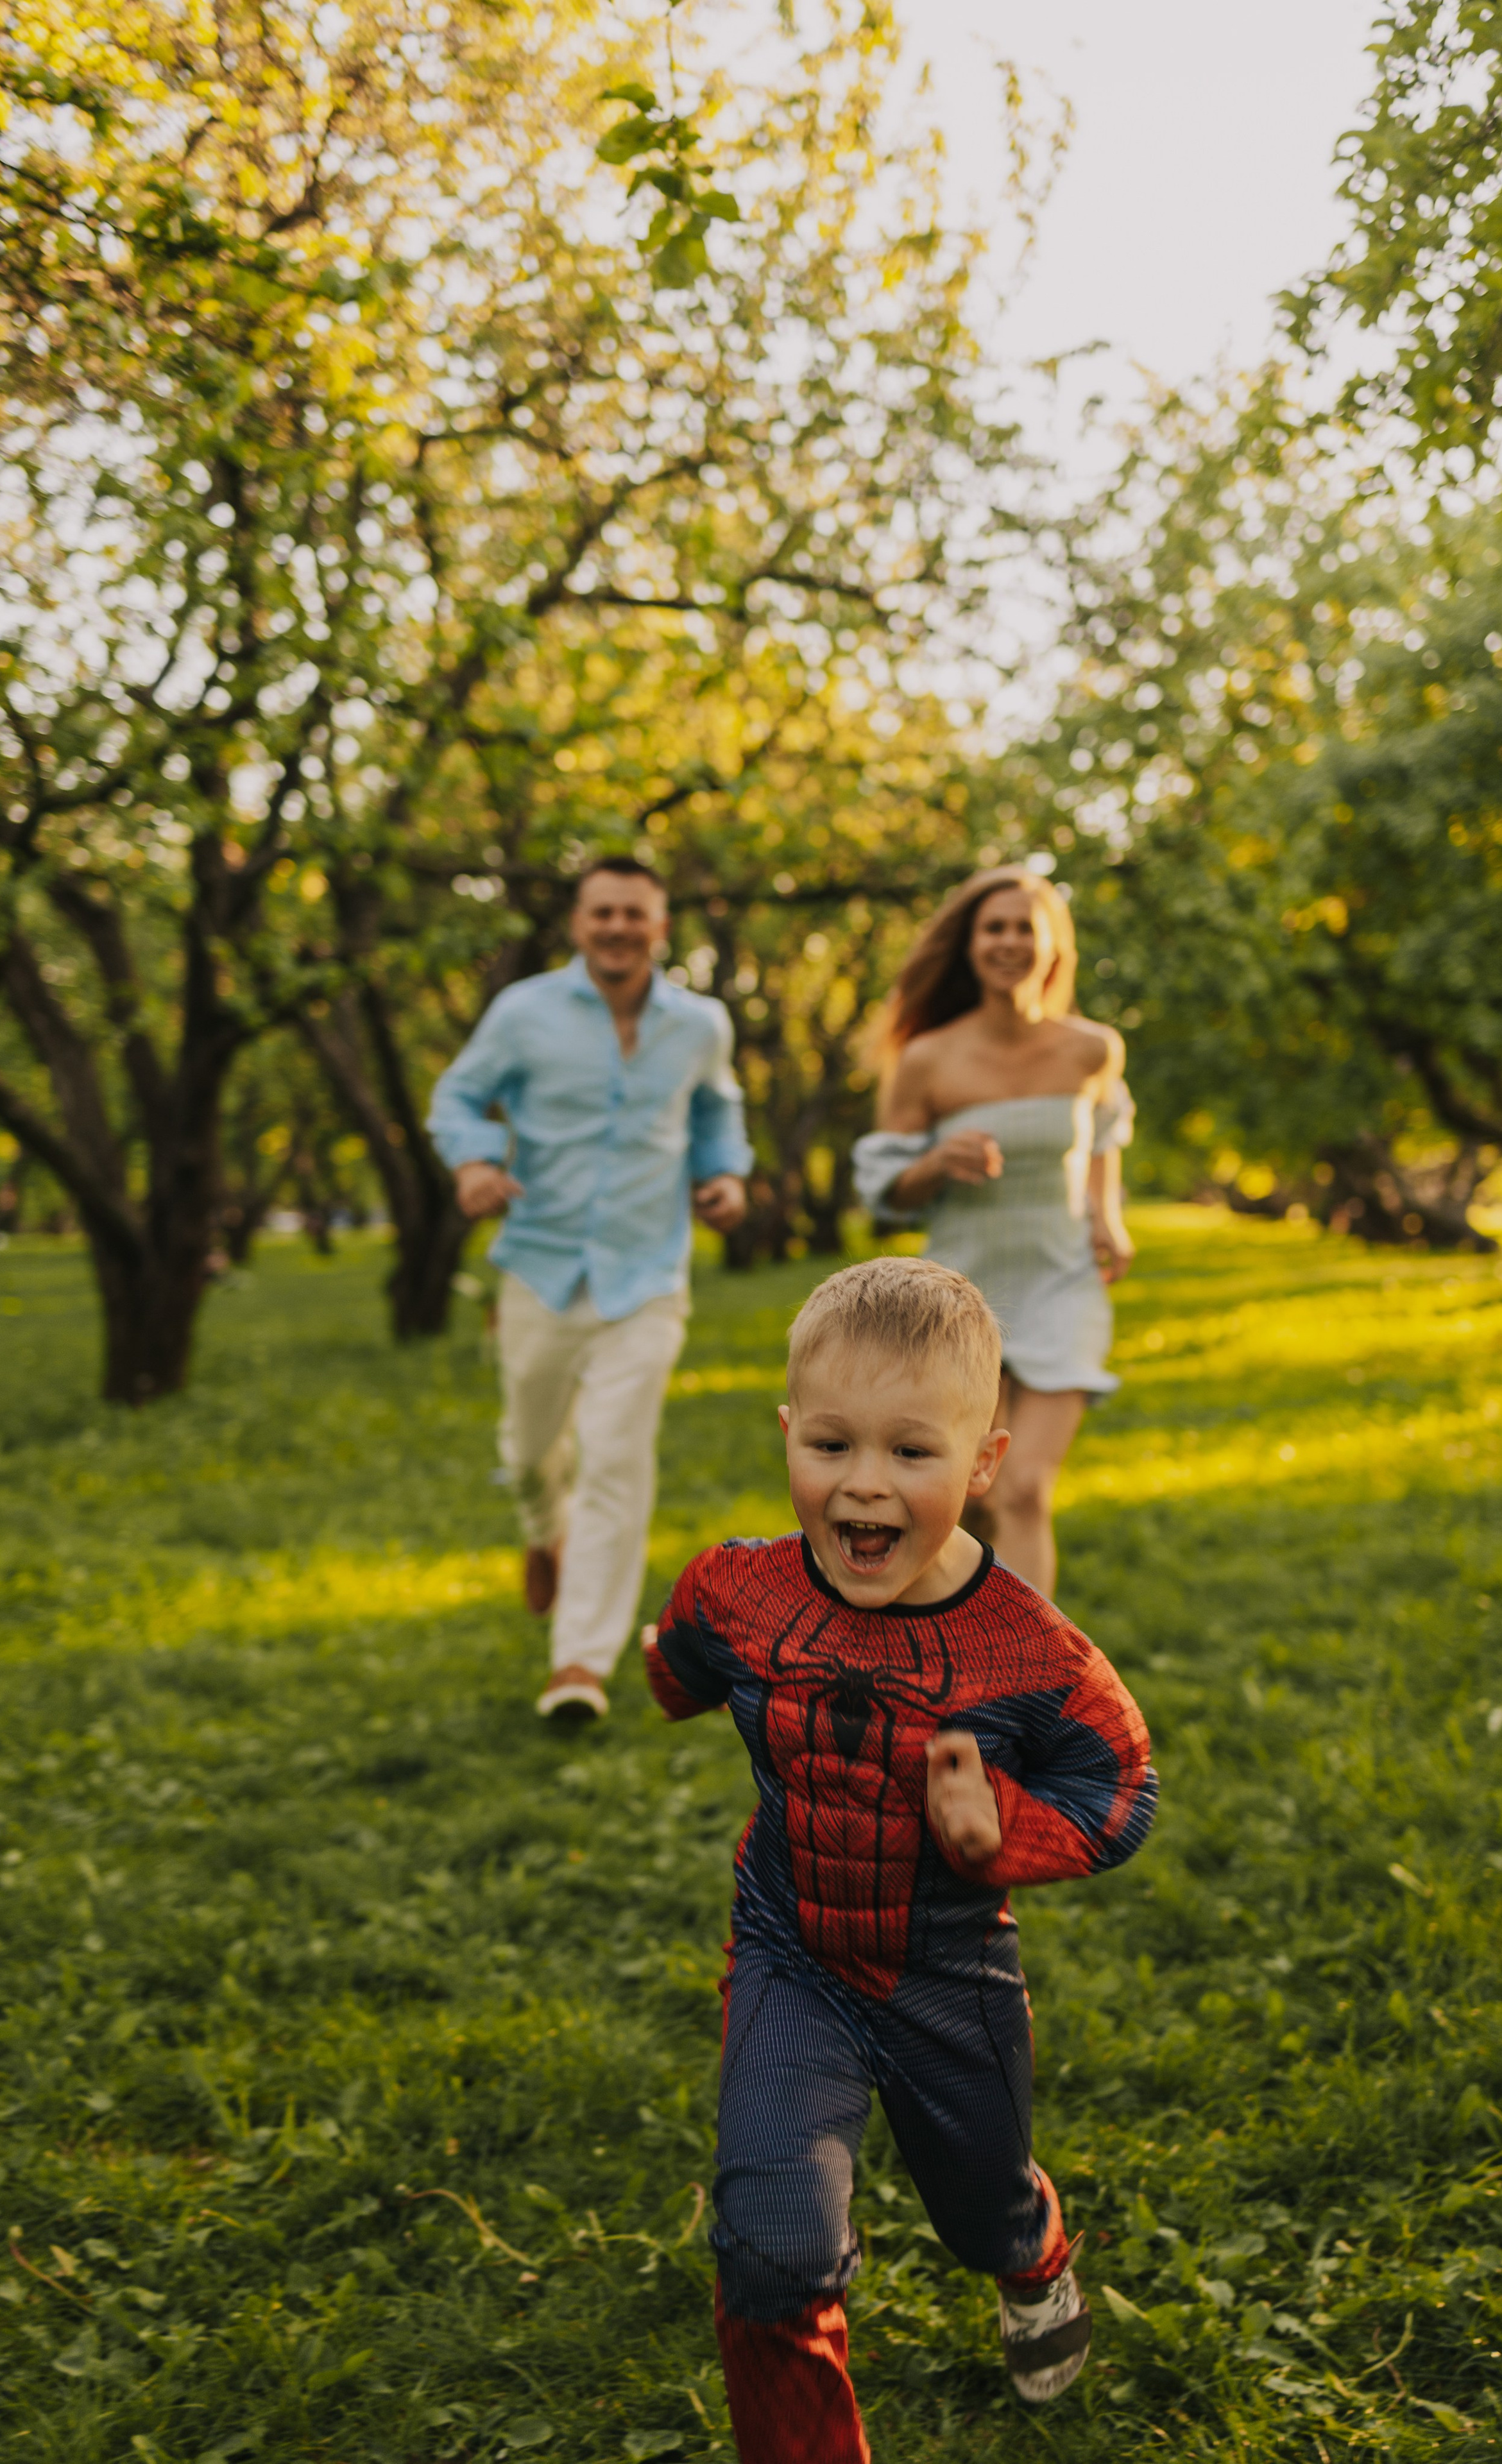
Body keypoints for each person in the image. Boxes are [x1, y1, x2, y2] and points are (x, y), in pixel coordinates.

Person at [642, 1257, 1157, 2464]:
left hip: (946, 1968)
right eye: (831, 1445)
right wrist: (671, 1668)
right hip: (789, 1947)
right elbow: (689, 1657)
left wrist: (1004, 1836)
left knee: (979, 2198)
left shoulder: (1030, 1650)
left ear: (985, 1460)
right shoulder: (741, 1589)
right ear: (788, 1435)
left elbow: (1122, 1787)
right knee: (768, 2245)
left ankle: (1030, 2252)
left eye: (912, 1454)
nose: (864, 1485)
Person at [427, 859, 751, 1720]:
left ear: (660, 925)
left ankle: (580, 1663)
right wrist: (471, 1162)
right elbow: (458, 1095)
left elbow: (717, 1114)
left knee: (615, 1455)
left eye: (634, 914)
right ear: (579, 923)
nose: (618, 927)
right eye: (602, 912)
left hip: (647, 1276)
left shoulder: (700, 1024)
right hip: (539, 1265)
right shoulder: (524, 1012)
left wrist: (724, 1178)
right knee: (530, 1452)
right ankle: (543, 1530)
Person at [851, 866, 1134, 1600]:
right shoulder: (929, 1058)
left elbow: (1104, 1132)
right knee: (970, 1494)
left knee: (1025, 1491)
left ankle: (1027, 1681)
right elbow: (881, 1186)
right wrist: (936, 1162)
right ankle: (944, 1645)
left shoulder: (1091, 1049)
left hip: (1062, 1282)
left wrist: (1106, 1215)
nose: (1008, 941)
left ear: (1051, 947)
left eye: (1023, 928)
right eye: (993, 928)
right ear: (971, 946)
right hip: (962, 1296)